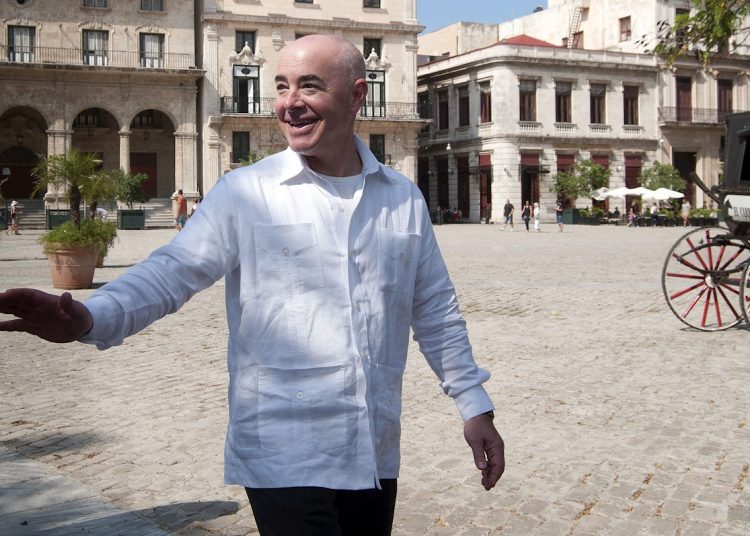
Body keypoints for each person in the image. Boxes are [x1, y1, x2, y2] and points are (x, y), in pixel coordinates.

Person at [0, 35, 504, 536]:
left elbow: (435, 310)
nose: (289, 103)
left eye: (309, 86)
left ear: (357, 95)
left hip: (373, 446)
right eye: (281, 87)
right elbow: (172, 270)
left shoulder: (402, 199)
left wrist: (473, 405)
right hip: (284, 448)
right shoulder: (245, 192)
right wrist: (92, 317)